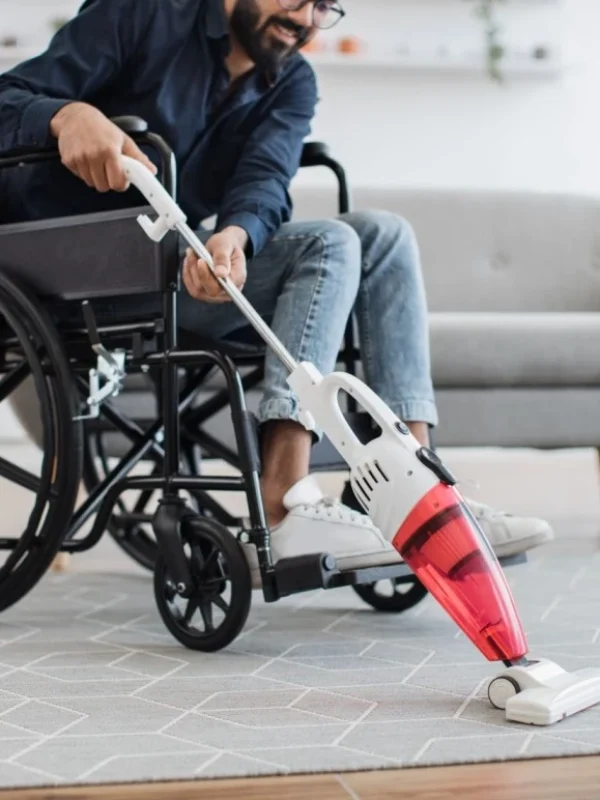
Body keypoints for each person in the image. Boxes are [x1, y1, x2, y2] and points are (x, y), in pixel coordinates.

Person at [0, 0, 553, 587]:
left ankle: (419, 491)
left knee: (384, 235)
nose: (309, 19)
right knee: (329, 243)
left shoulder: (292, 79)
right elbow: (8, 99)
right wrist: (66, 115)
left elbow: (265, 178)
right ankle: (283, 501)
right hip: (72, 273)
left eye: (326, 7)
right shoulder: (144, 14)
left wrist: (233, 242)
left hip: (175, 268)